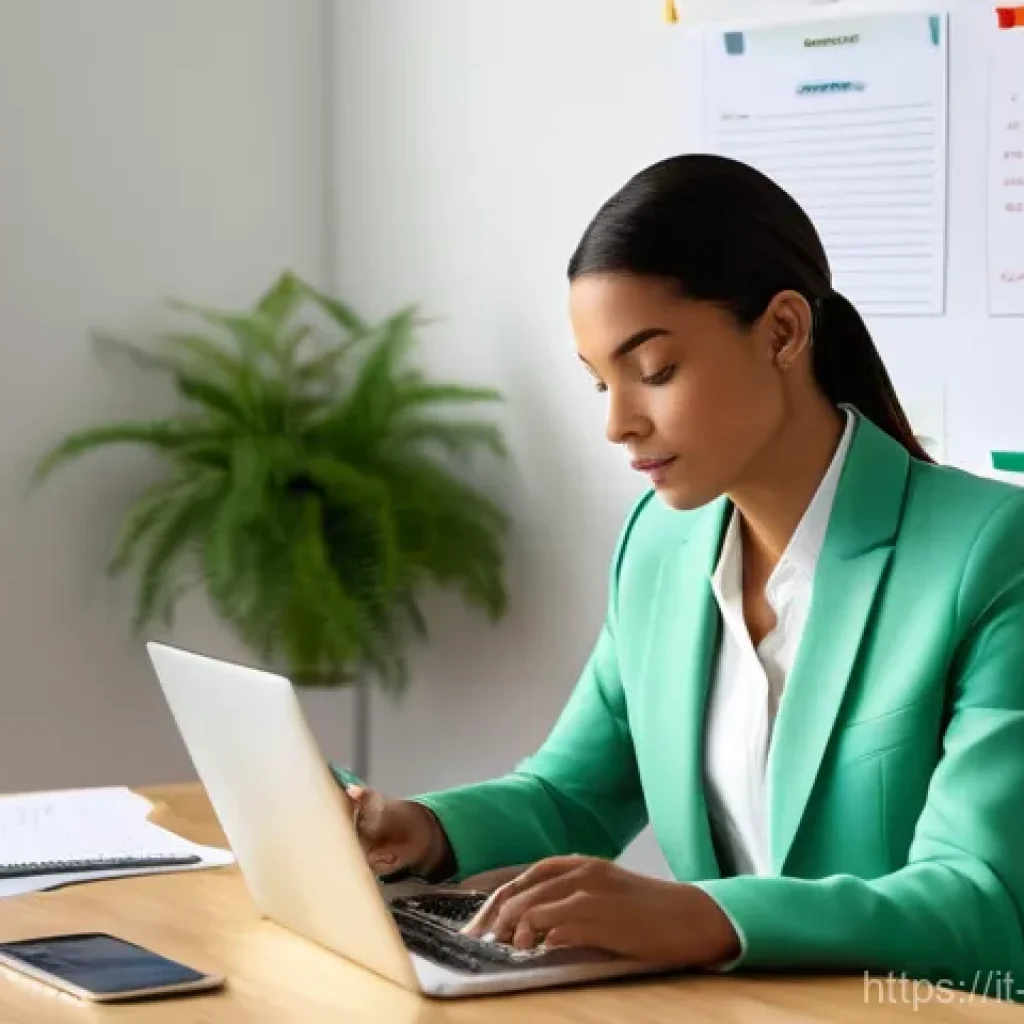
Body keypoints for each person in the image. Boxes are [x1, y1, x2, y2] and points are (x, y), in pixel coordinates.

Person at [345, 154, 1024, 991]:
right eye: (600, 382)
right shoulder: (660, 550)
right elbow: (571, 794)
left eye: (656, 371)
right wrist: (423, 829)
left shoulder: (991, 551)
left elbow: (980, 902)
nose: (618, 424)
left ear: (782, 332)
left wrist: (701, 916)